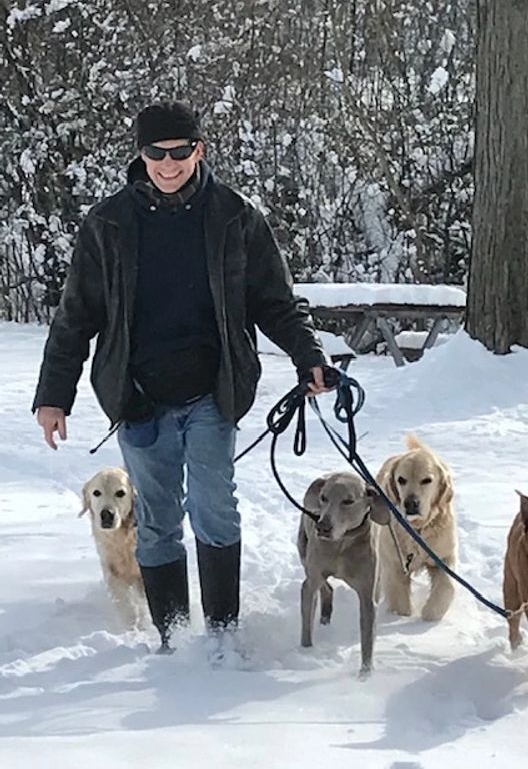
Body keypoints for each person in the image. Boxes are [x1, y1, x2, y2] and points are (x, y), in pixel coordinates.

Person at [33, 101, 328, 651]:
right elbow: (77, 315)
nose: (167, 164)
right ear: (140, 155)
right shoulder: (108, 224)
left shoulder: (236, 216)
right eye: (155, 153)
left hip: (213, 389)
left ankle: (221, 634)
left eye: (179, 152)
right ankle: (172, 638)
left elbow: (275, 300)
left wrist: (307, 355)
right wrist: (55, 395)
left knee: (214, 503)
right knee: (158, 515)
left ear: (200, 150)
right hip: (138, 395)